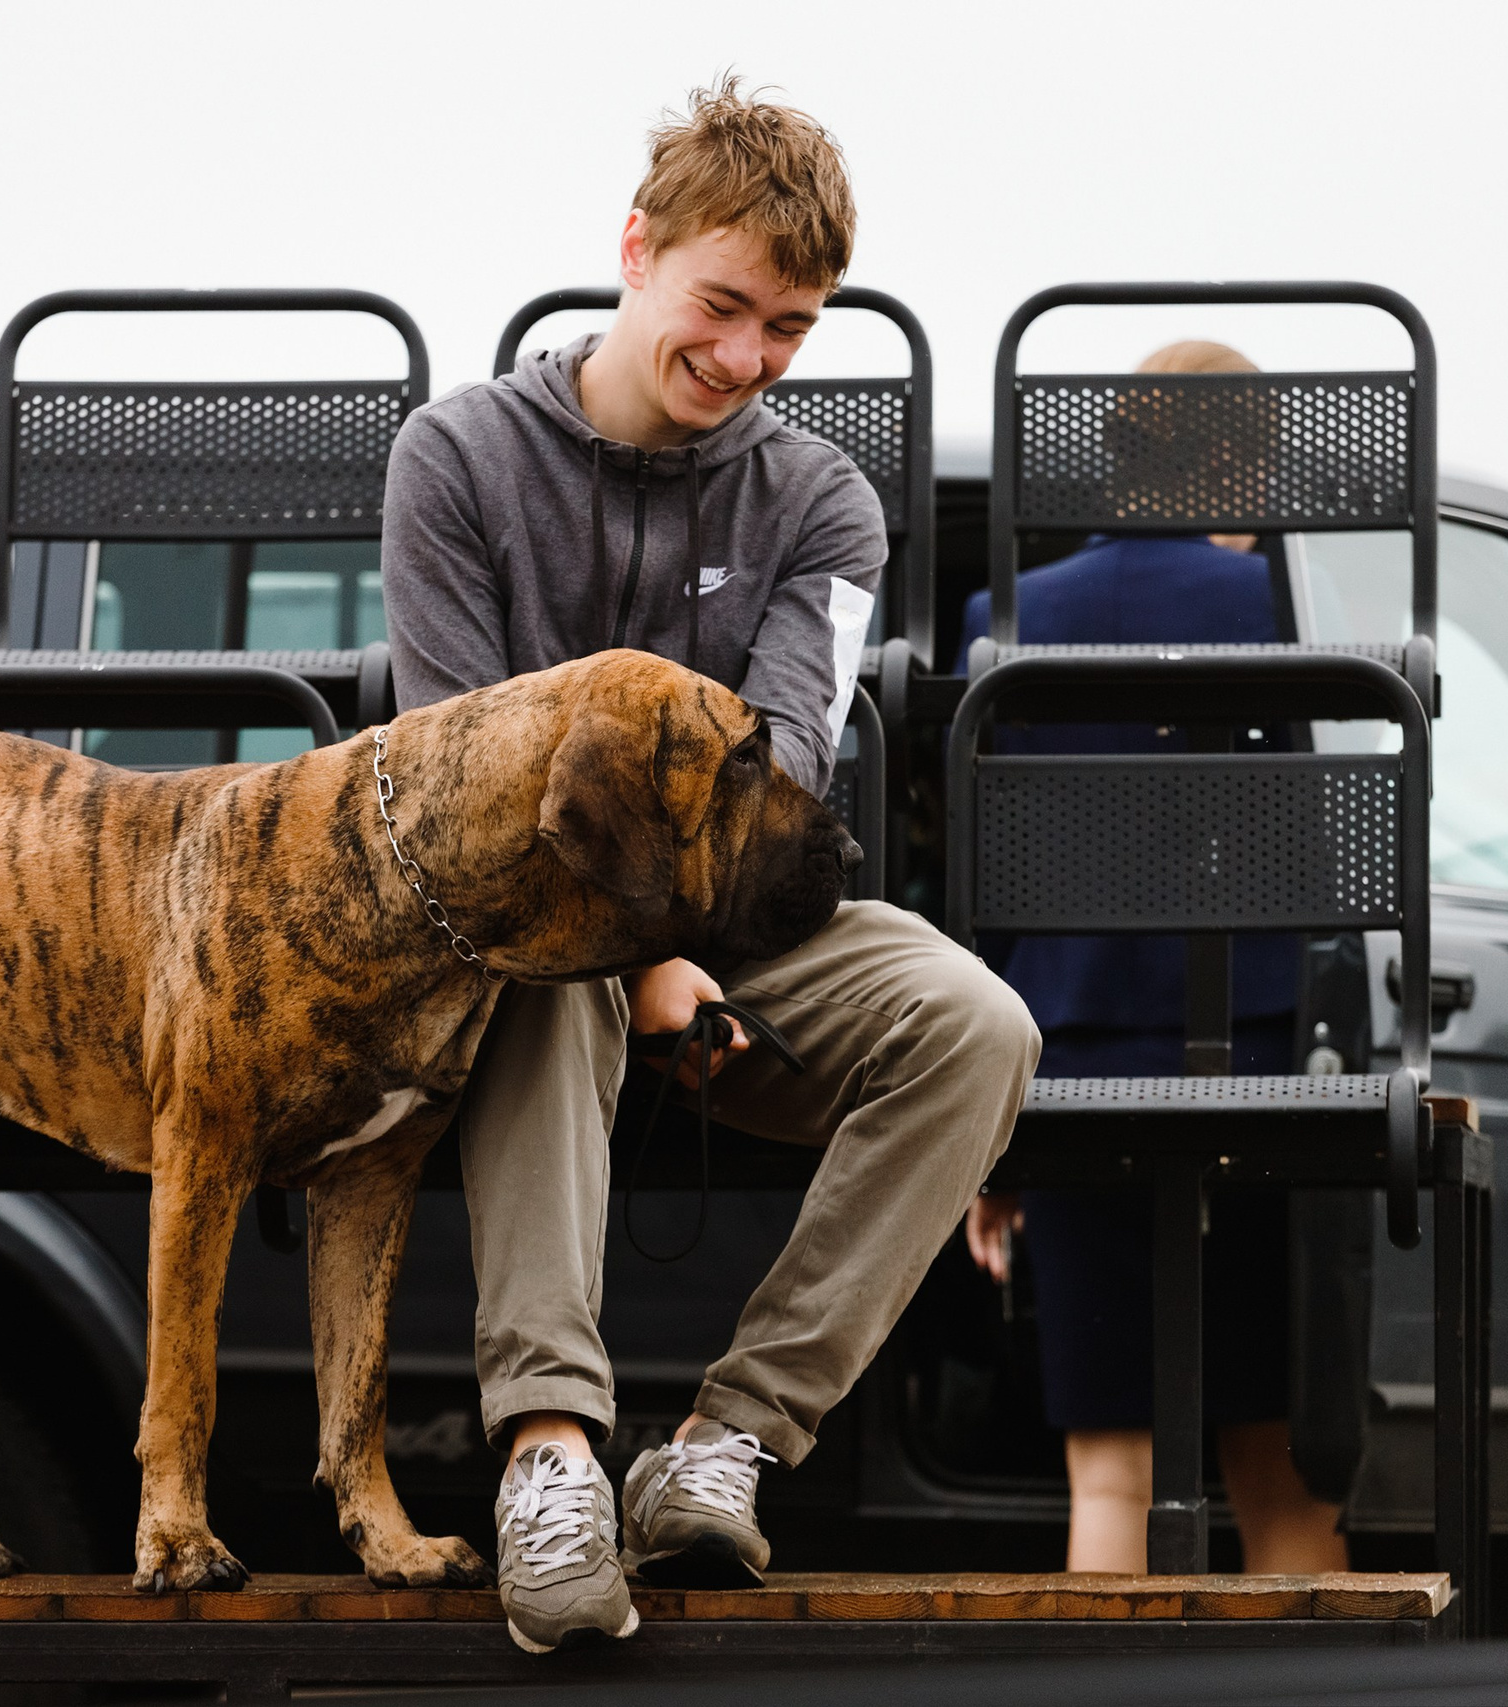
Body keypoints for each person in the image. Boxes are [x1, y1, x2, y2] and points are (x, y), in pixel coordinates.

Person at [383, 77, 1040, 1654]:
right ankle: (549, 1450)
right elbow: (463, 784)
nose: (747, 359)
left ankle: (721, 1443)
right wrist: (635, 954)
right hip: (502, 932)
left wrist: (676, 946)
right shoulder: (457, 459)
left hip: (736, 924)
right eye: (724, 305)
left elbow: (790, 765)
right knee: (549, 958)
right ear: (636, 247)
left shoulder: (821, 500)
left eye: (790, 329)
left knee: (979, 1025)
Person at [953, 340, 1351, 1575]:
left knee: (1109, 1467)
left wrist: (991, 1137)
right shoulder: (1282, 612)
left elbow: (988, 887)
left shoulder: (1006, 623)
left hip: (1067, 1067)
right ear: (1248, 467)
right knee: (1282, 1475)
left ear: (1118, 460)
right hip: (1260, 1062)